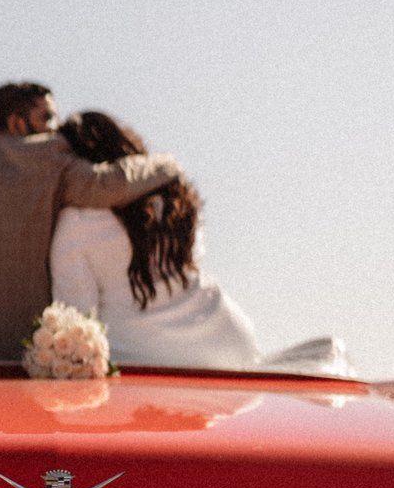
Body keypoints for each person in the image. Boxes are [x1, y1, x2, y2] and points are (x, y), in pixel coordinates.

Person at [0, 83, 186, 360]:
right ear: (17, 123)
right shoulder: (47, 154)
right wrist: (166, 163)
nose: (56, 127)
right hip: (9, 351)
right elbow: (109, 184)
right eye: (47, 117)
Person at [50, 111, 260, 369]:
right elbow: (194, 257)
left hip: (142, 361)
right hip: (232, 345)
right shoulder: (175, 201)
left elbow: (77, 320)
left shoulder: (75, 223)